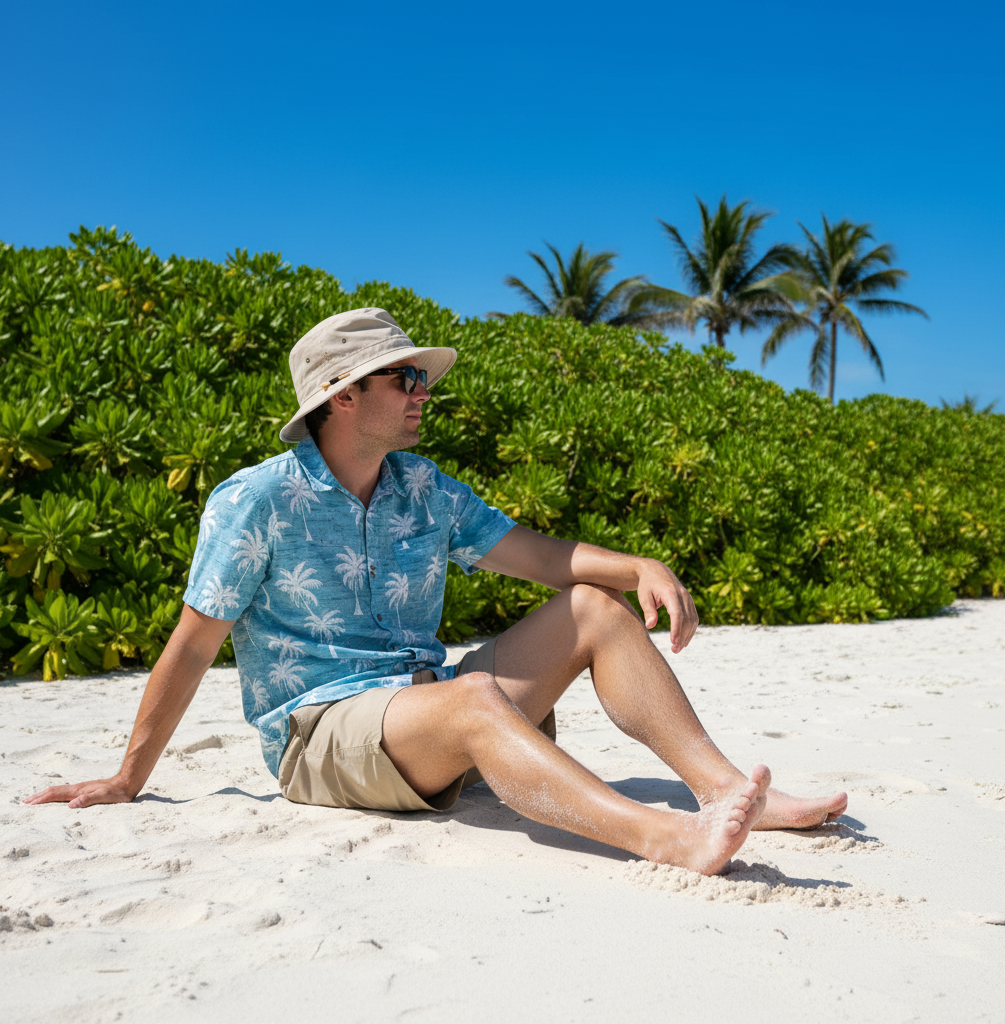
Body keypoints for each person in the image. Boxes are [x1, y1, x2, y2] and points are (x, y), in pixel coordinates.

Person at [24, 308, 847, 875]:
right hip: (322, 734)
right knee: (477, 695)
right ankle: (667, 839)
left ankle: (725, 789)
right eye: (405, 379)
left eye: (422, 378)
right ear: (344, 395)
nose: (424, 391)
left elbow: (541, 556)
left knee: (595, 608)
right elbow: (194, 644)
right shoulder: (256, 501)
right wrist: (127, 778)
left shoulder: (423, 487)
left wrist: (633, 567)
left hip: (428, 703)